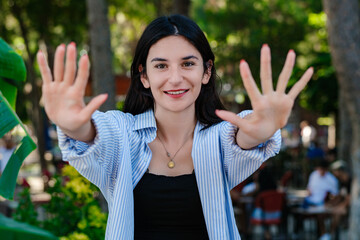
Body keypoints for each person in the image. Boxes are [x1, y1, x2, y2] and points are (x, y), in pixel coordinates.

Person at [37, 14, 313, 239]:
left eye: (187, 64)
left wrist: (260, 130)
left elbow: (240, 138)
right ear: (143, 76)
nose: (175, 78)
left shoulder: (218, 139)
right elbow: (95, 134)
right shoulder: (123, 134)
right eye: (161, 66)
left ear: (206, 72)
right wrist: (73, 125)